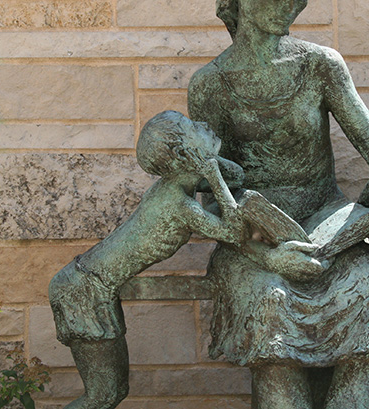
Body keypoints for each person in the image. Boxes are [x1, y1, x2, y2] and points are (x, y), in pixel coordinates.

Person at [188, 0, 369, 409]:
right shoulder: (210, 85)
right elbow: (211, 198)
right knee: (272, 300)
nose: (289, 7)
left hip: (327, 222)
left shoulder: (321, 66)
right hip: (255, 244)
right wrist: (268, 256)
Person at [48, 110, 251, 409]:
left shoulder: (179, 183)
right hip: (83, 292)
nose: (204, 123)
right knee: (103, 395)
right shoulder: (178, 204)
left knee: (111, 394)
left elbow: (237, 176)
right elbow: (237, 232)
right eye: (193, 126)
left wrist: (208, 166)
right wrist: (212, 174)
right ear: (185, 154)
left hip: (86, 283)